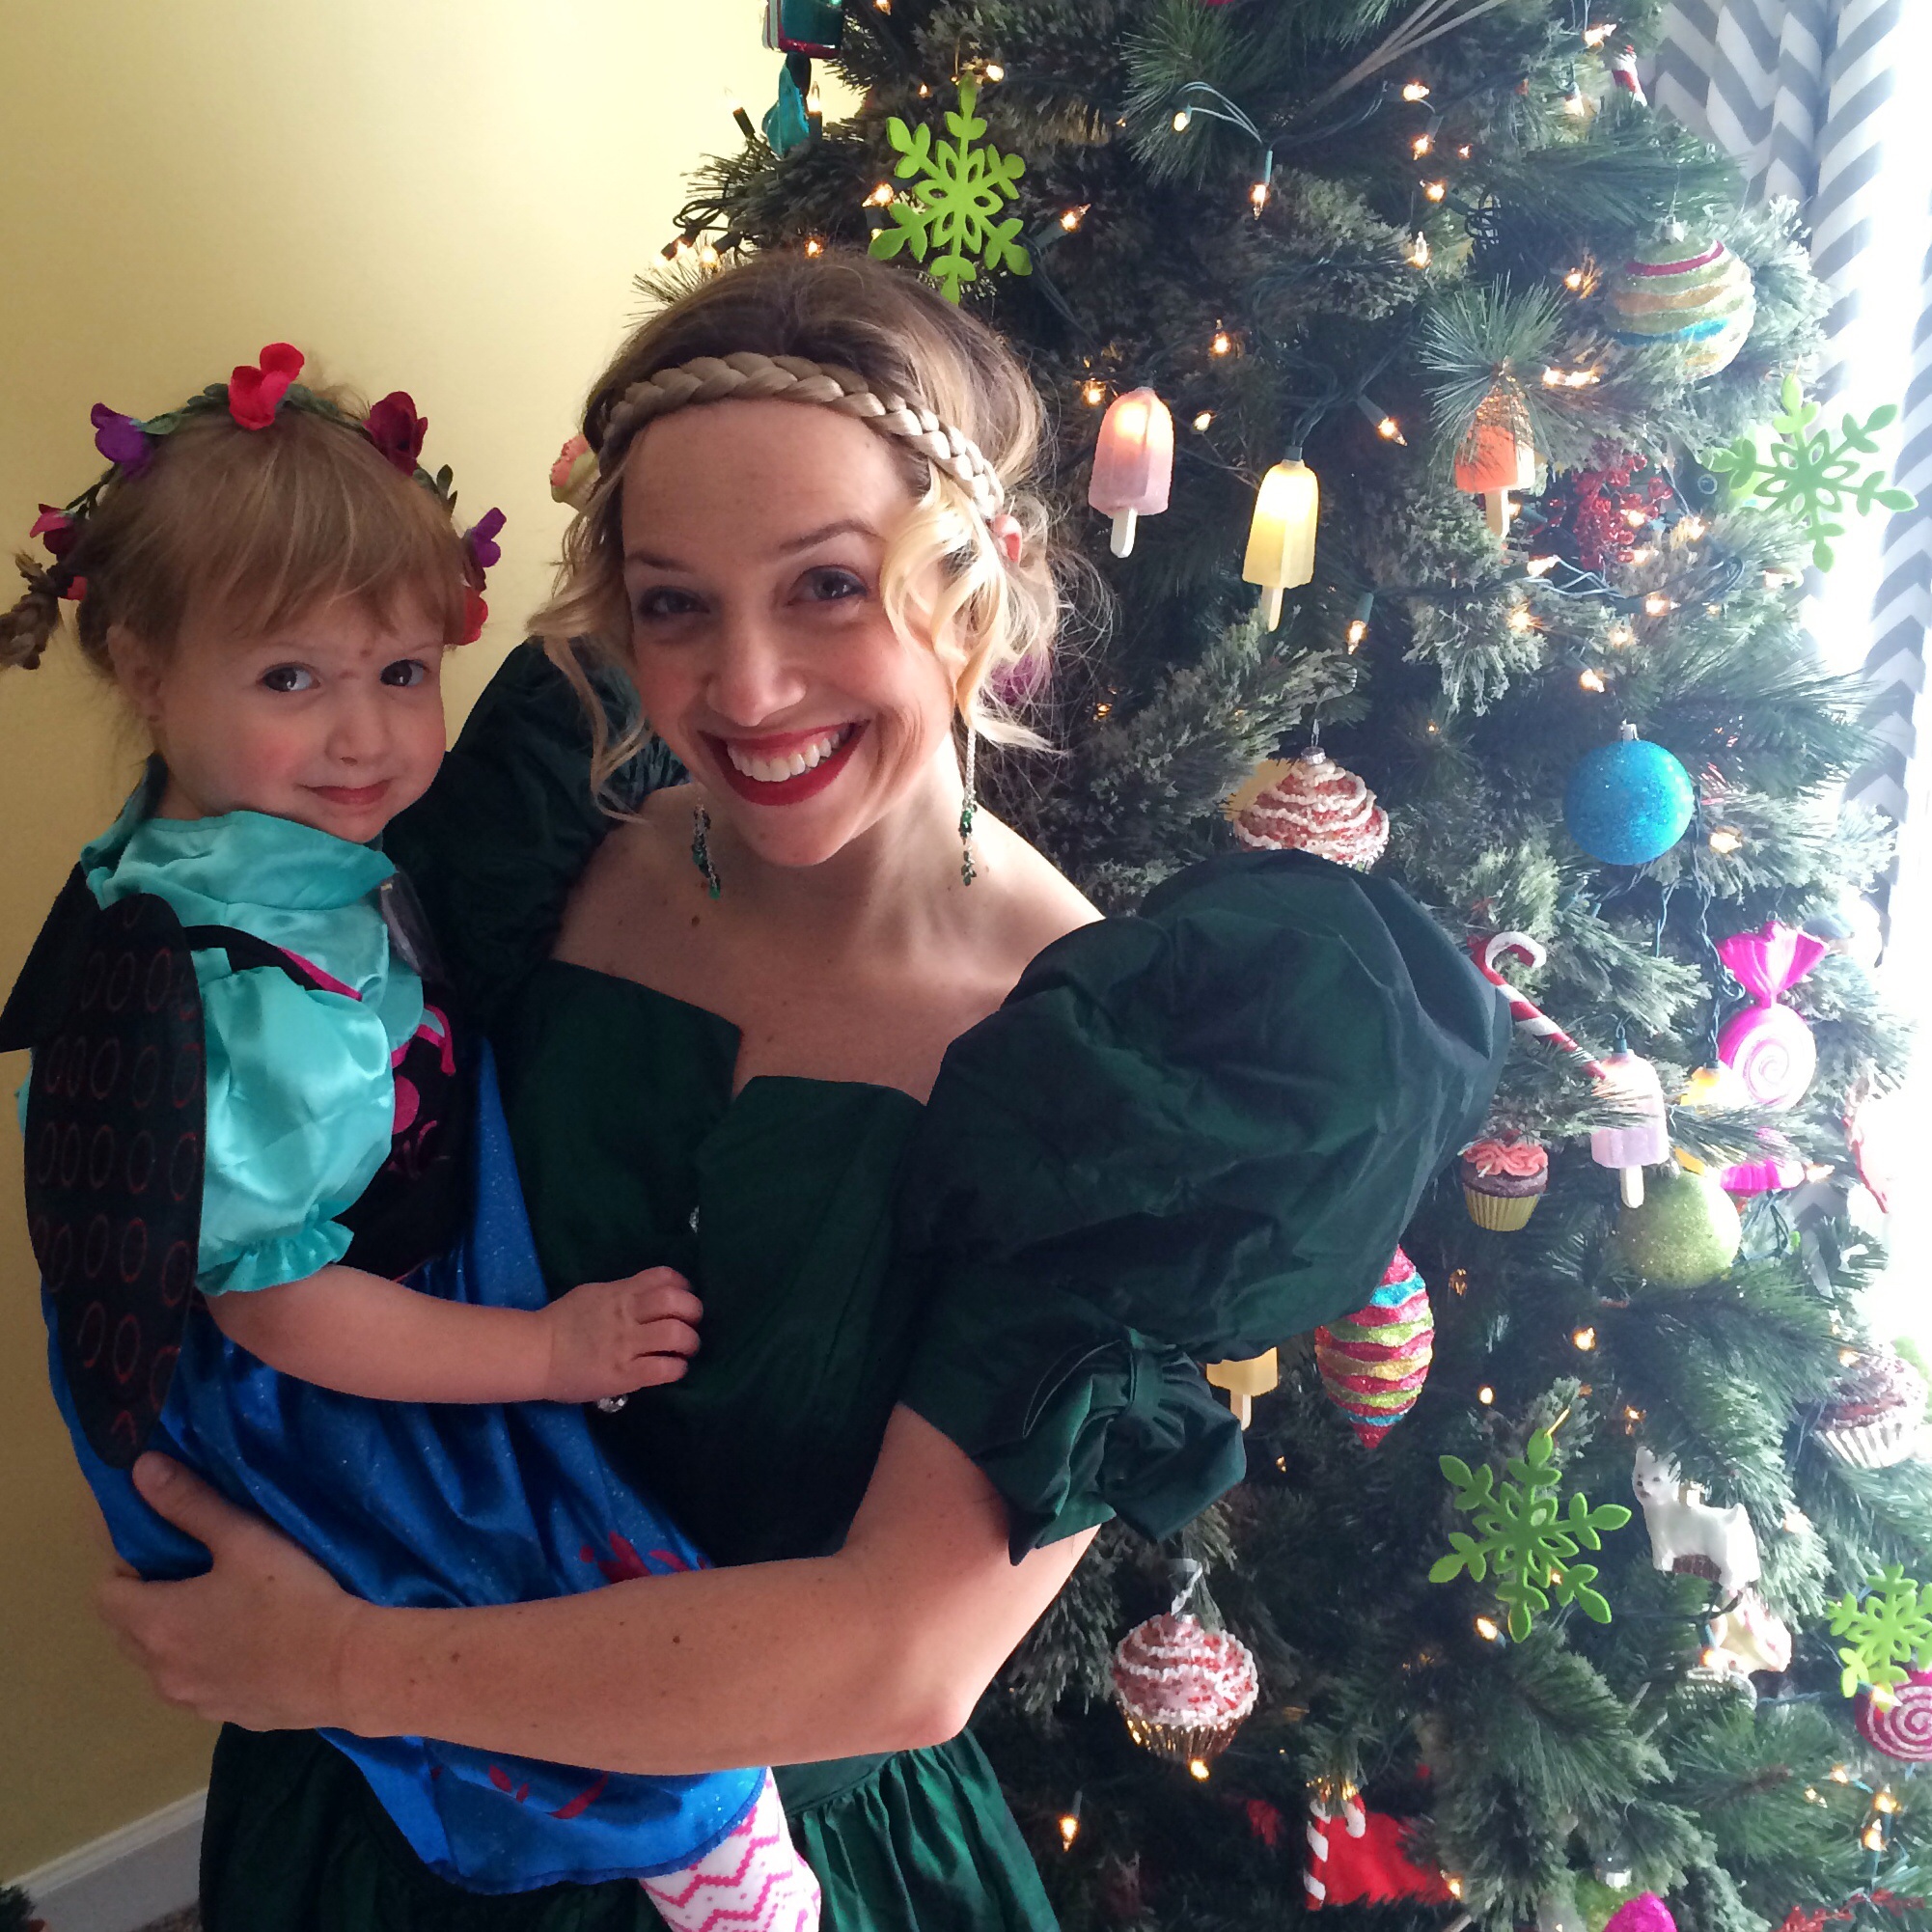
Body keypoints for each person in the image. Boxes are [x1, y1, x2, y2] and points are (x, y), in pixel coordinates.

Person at [96, 255, 1509, 1930]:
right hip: (362, 1814)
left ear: (978, 583)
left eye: (829, 586)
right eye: (674, 604)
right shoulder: (539, 840)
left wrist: (339, 1658)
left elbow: (899, 1654)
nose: (745, 690)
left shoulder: (1121, 1081)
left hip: (759, 1857)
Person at [0, 350, 820, 1926]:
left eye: (398, 670)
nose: (365, 735)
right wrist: (550, 1349)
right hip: (316, 1376)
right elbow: (274, 1307)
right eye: (290, 679)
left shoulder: (236, 850)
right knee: (555, 1587)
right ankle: (692, 1844)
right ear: (145, 671)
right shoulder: (242, 997)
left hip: (346, 1286)